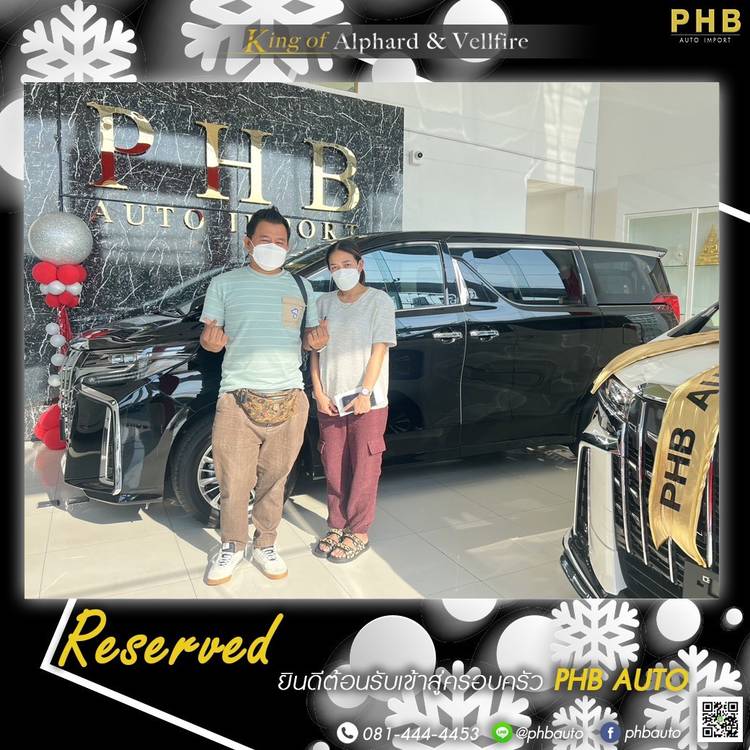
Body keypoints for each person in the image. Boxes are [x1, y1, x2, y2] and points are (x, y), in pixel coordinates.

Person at [199, 206, 329, 585]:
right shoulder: (224, 284)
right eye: (265, 240)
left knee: (275, 481)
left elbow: (308, 339)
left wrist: (316, 340)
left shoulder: (302, 288)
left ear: (289, 247)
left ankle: (266, 543)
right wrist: (211, 342)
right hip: (236, 398)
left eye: (280, 242)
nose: (273, 247)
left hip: (290, 397)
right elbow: (209, 338)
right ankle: (232, 546)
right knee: (233, 482)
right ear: (248, 243)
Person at [310, 239, 397, 562]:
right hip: (330, 400)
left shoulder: (379, 301)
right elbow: (315, 353)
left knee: (364, 466)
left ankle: (358, 531)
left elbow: (379, 350)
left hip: (366, 403)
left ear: (360, 265)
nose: (341, 271)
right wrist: (318, 392)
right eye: (334, 267)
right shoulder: (323, 303)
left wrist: (365, 393)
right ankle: (337, 525)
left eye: (347, 265)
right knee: (333, 465)